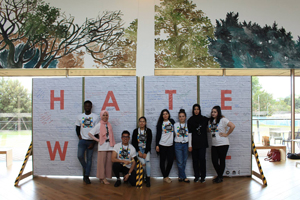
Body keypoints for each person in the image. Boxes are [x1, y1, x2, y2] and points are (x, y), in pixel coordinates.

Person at [75, 100, 100, 184]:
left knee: (89, 159)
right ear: (84, 107)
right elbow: (77, 128)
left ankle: (86, 176)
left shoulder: (96, 117)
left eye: (89, 106)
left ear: (91, 107)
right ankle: (87, 169)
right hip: (82, 141)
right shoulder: (79, 116)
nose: (87, 107)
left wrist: (93, 143)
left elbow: (97, 131)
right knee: (80, 156)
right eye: (86, 106)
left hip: (91, 141)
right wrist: (79, 136)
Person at [209, 105, 235, 183]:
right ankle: (220, 176)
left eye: (215, 112)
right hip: (214, 144)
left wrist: (226, 134)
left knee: (222, 160)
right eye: (212, 112)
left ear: (218, 112)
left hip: (223, 144)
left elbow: (232, 126)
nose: (213, 113)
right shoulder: (211, 121)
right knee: (214, 161)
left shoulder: (223, 119)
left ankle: (220, 177)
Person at [88, 110, 116, 184]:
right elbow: (90, 133)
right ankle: (102, 178)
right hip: (102, 146)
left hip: (109, 146)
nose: (105, 117)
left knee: (108, 163)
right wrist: (98, 140)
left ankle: (104, 177)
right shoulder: (99, 125)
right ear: (101, 116)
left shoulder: (109, 124)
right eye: (104, 115)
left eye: (106, 115)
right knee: (102, 163)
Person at [187, 104, 209, 183]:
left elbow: (213, 118)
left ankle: (203, 176)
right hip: (194, 143)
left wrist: (221, 117)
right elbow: (189, 133)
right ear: (193, 110)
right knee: (195, 160)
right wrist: (190, 145)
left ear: (200, 110)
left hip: (202, 143)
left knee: (202, 160)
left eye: (197, 109)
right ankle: (196, 176)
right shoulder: (190, 120)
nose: (196, 111)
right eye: (195, 109)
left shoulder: (204, 119)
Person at [132, 116, 153, 187]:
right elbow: (134, 142)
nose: (142, 123)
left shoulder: (148, 131)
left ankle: (148, 178)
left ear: (145, 122)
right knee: (143, 163)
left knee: (148, 162)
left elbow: (149, 143)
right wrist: (139, 151)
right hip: (138, 150)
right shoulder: (135, 131)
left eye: (143, 121)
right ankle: (144, 176)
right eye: (140, 121)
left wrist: (145, 152)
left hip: (146, 150)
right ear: (138, 123)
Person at [156, 109, 175, 183]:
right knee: (162, 161)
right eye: (163, 114)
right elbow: (158, 135)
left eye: (166, 113)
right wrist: (157, 145)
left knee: (170, 161)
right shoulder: (160, 123)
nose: (165, 115)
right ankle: (165, 176)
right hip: (162, 145)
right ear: (162, 115)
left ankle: (166, 175)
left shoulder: (172, 122)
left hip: (170, 145)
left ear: (169, 114)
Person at [174, 109, 191, 183]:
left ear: (185, 117)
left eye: (183, 116)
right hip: (178, 144)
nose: (181, 118)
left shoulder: (188, 125)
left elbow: (190, 136)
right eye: (180, 116)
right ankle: (184, 177)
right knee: (180, 162)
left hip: (186, 144)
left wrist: (190, 145)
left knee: (184, 161)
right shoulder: (175, 125)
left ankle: (180, 177)